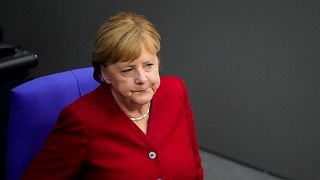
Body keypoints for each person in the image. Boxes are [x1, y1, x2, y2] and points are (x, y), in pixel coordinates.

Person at [22, 12, 204, 180]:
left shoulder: (175, 91)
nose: (142, 78)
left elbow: (195, 168)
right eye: (128, 70)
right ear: (106, 74)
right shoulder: (80, 121)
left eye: (148, 65)